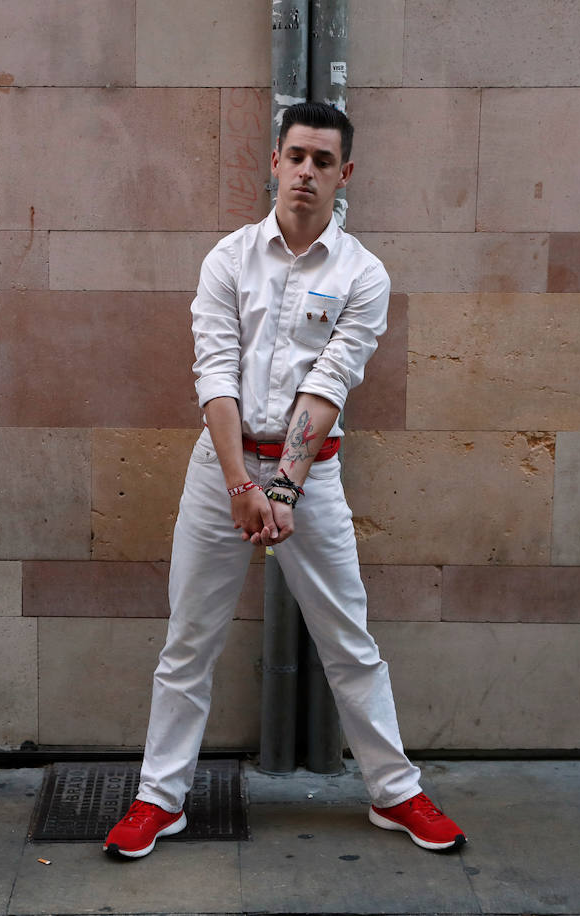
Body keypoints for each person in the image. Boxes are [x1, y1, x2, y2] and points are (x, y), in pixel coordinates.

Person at [103, 103, 466, 860]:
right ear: (274, 162)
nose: (306, 172)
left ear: (345, 174)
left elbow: (332, 381)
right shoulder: (229, 259)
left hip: (313, 476)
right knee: (188, 641)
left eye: (322, 161)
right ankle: (159, 799)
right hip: (222, 472)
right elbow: (214, 370)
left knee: (350, 640)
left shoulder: (363, 274)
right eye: (295, 156)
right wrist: (242, 485)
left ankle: (395, 793)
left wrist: (284, 491)